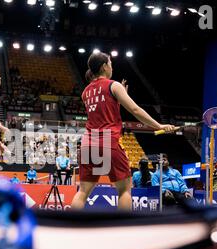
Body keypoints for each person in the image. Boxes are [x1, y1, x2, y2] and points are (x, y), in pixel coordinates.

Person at [70, 52, 175, 210]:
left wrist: (121, 95)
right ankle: (123, 227)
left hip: (87, 143)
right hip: (108, 140)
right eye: (110, 63)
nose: (111, 67)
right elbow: (135, 110)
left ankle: (72, 227)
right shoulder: (113, 85)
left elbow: (104, 109)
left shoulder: (85, 93)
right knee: (124, 190)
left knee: (83, 191)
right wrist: (159, 126)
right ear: (104, 66)